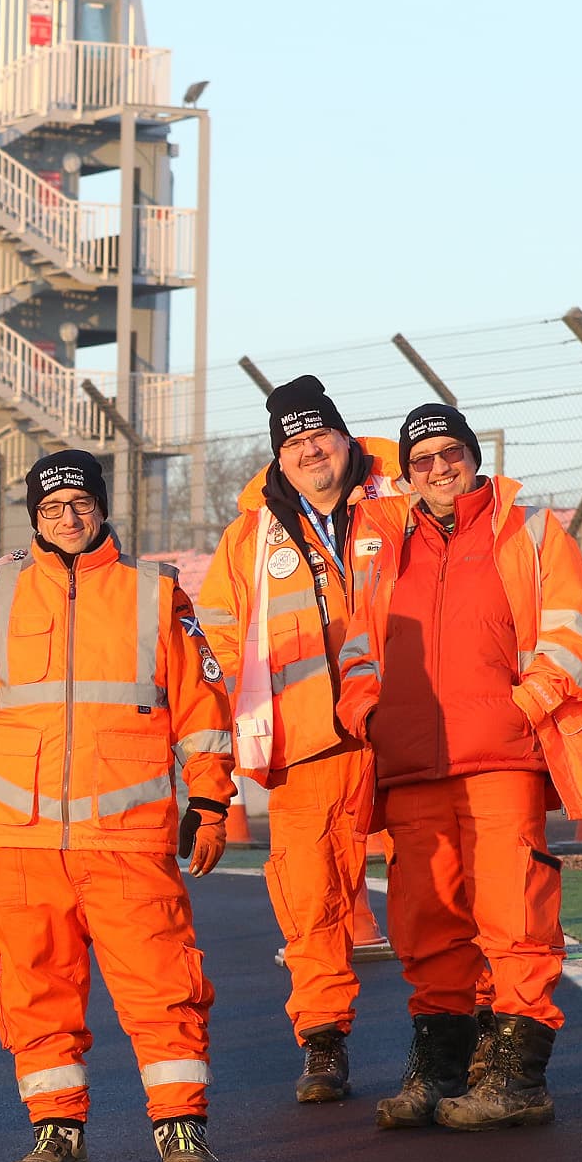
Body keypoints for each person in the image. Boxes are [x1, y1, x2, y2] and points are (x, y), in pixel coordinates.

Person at [0, 449, 234, 1162]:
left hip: (128, 836)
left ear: (102, 507)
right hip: (19, 840)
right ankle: (57, 1135)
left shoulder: (154, 594)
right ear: (34, 516)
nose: (67, 517)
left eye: (80, 503)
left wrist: (211, 800)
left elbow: (201, 709)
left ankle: (180, 1130)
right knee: (35, 991)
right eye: (51, 507)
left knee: (161, 984)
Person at [336, 405, 582, 1131]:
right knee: (425, 919)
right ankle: (440, 1064)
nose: (439, 468)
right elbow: (356, 645)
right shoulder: (383, 542)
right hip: (409, 763)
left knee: (515, 915)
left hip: (502, 755)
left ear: (473, 456)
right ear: (406, 475)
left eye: (451, 453)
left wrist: (528, 702)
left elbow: (573, 625)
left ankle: (516, 1075)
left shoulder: (530, 529)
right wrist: (365, 711)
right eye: (422, 460)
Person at [200, 375, 404, 1104]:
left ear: (345, 436)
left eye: (320, 433)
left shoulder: (400, 500)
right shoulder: (248, 537)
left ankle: (461, 1025)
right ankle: (323, 1041)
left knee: (443, 880)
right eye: (294, 441)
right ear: (278, 457)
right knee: (309, 897)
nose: (311, 448)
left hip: (407, 725)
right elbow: (219, 636)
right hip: (307, 738)